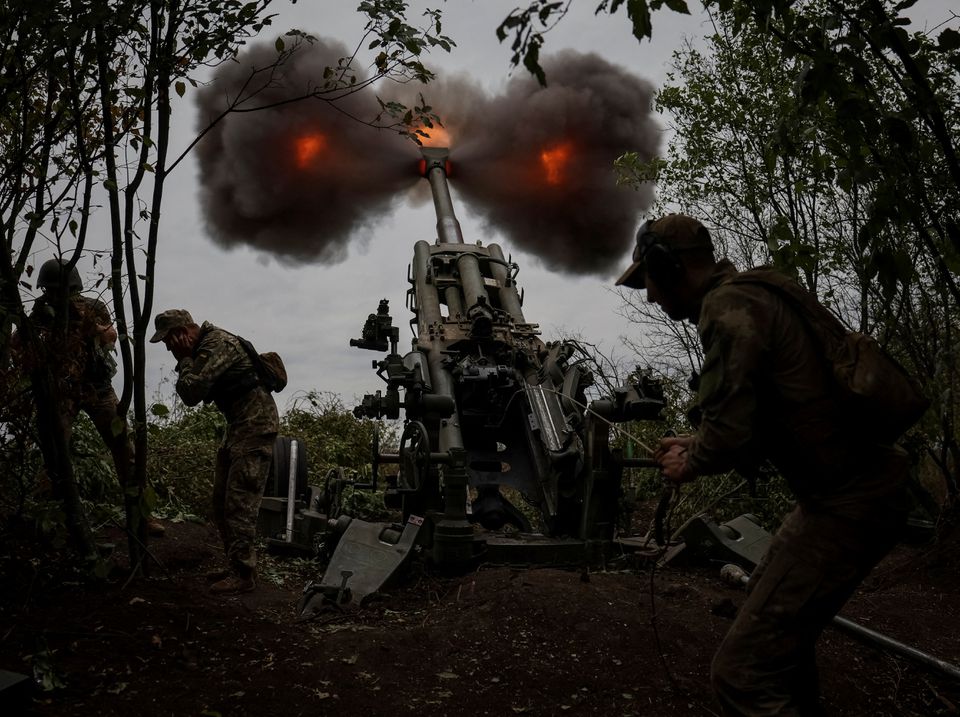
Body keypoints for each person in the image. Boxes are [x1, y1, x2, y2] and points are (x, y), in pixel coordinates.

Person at [616, 215, 909, 716]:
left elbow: (728, 433)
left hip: (849, 500)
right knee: (780, 648)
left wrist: (690, 463)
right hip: (847, 493)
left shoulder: (726, 308)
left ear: (670, 267)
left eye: (650, 282)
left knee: (742, 676)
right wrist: (696, 441)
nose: (651, 299)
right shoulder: (754, 294)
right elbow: (761, 419)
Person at [27, 258, 165, 537]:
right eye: (49, 290)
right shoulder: (42, 312)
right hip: (64, 390)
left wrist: (85, 325)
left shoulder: (92, 307)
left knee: (125, 450)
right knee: (55, 452)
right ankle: (48, 515)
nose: (53, 295)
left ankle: (141, 516)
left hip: (98, 388)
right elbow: (26, 342)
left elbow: (112, 336)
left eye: (58, 290)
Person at [150, 309, 278, 595]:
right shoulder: (207, 347)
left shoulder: (217, 344)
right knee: (220, 502)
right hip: (237, 428)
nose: (169, 348)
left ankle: (244, 575)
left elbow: (191, 393)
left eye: (169, 340)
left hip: (254, 427)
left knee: (238, 503)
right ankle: (235, 565)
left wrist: (184, 360)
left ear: (182, 332)